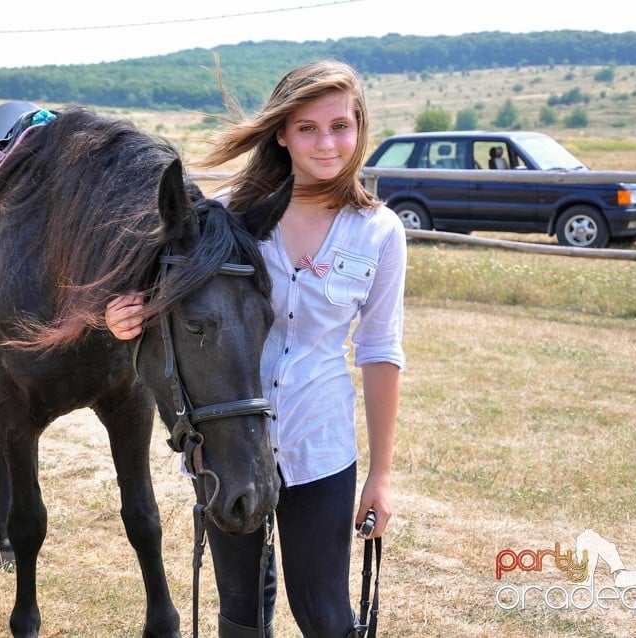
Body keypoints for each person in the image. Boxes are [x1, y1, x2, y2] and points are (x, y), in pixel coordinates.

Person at [105, 60, 407, 638]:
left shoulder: (378, 231)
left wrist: (381, 476)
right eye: (308, 128)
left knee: (324, 615)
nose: (327, 143)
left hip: (319, 442)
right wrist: (124, 315)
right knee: (240, 614)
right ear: (282, 133)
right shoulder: (228, 214)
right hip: (228, 443)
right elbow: (171, 299)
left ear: (359, 128)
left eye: (340, 126)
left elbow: (379, 351)